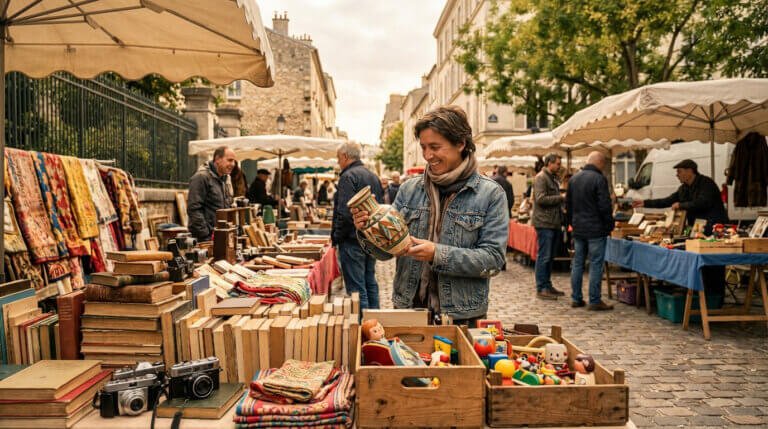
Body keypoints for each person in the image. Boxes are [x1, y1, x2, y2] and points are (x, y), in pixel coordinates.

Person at [351, 106, 508, 327]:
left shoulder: (490, 194)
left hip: (461, 317)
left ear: (461, 144)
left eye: (435, 147)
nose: (427, 155)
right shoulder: (409, 190)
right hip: (408, 309)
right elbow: (387, 253)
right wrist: (368, 230)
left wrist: (437, 254)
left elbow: (493, 260)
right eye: (423, 147)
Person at [632, 158, 728, 299]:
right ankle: (699, 293)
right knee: (698, 265)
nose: (677, 174)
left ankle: (715, 296)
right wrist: (645, 203)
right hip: (697, 229)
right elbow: (668, 200)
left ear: (690, 171)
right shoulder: (684, 188)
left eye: (679, 171)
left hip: (714, 228)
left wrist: (682, 205)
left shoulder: (706, 183)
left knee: (712, 266)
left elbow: (703, 202)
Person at [332, 141, 384, 312]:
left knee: (356, 289)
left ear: (345, 156)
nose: (338, 162)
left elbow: (344, 213)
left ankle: (363, 328)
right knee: (370, 282)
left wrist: (337, 238)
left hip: (352, 239)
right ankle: (375, 324)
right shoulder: (372, 175)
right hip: (370, 238)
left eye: (339, 158)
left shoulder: (348, 176)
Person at [566, 151, 614, 311]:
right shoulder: (599, 179)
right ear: (599, 162)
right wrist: (609, 225)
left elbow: (568, 206)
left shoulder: (574, 179)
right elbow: (604, 206)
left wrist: (571, 224)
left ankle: (576, 298)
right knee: (595, 264)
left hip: (579, 228)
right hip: (596, 229)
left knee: (578, 264)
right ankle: (594, 300)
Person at [532, 153, 566, 300]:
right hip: (544, 223)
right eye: (558, 164)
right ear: (549, 163)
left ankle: (547, 284)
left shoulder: (551, 178)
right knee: (544, 256)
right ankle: (541, 287)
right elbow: (540, 199)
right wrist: (561, 198)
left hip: (552, 222)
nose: (559, 166)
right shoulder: (541, 177)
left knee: (550, 256)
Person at [187, 146, 235, 242]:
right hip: (205, 239)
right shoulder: (201, 177)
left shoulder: (225, 179)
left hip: (219, 236)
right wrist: (206, 236)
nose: (233, 164)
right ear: (217, 159)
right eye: (229, 160)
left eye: (234, 161)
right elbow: (194, 209)